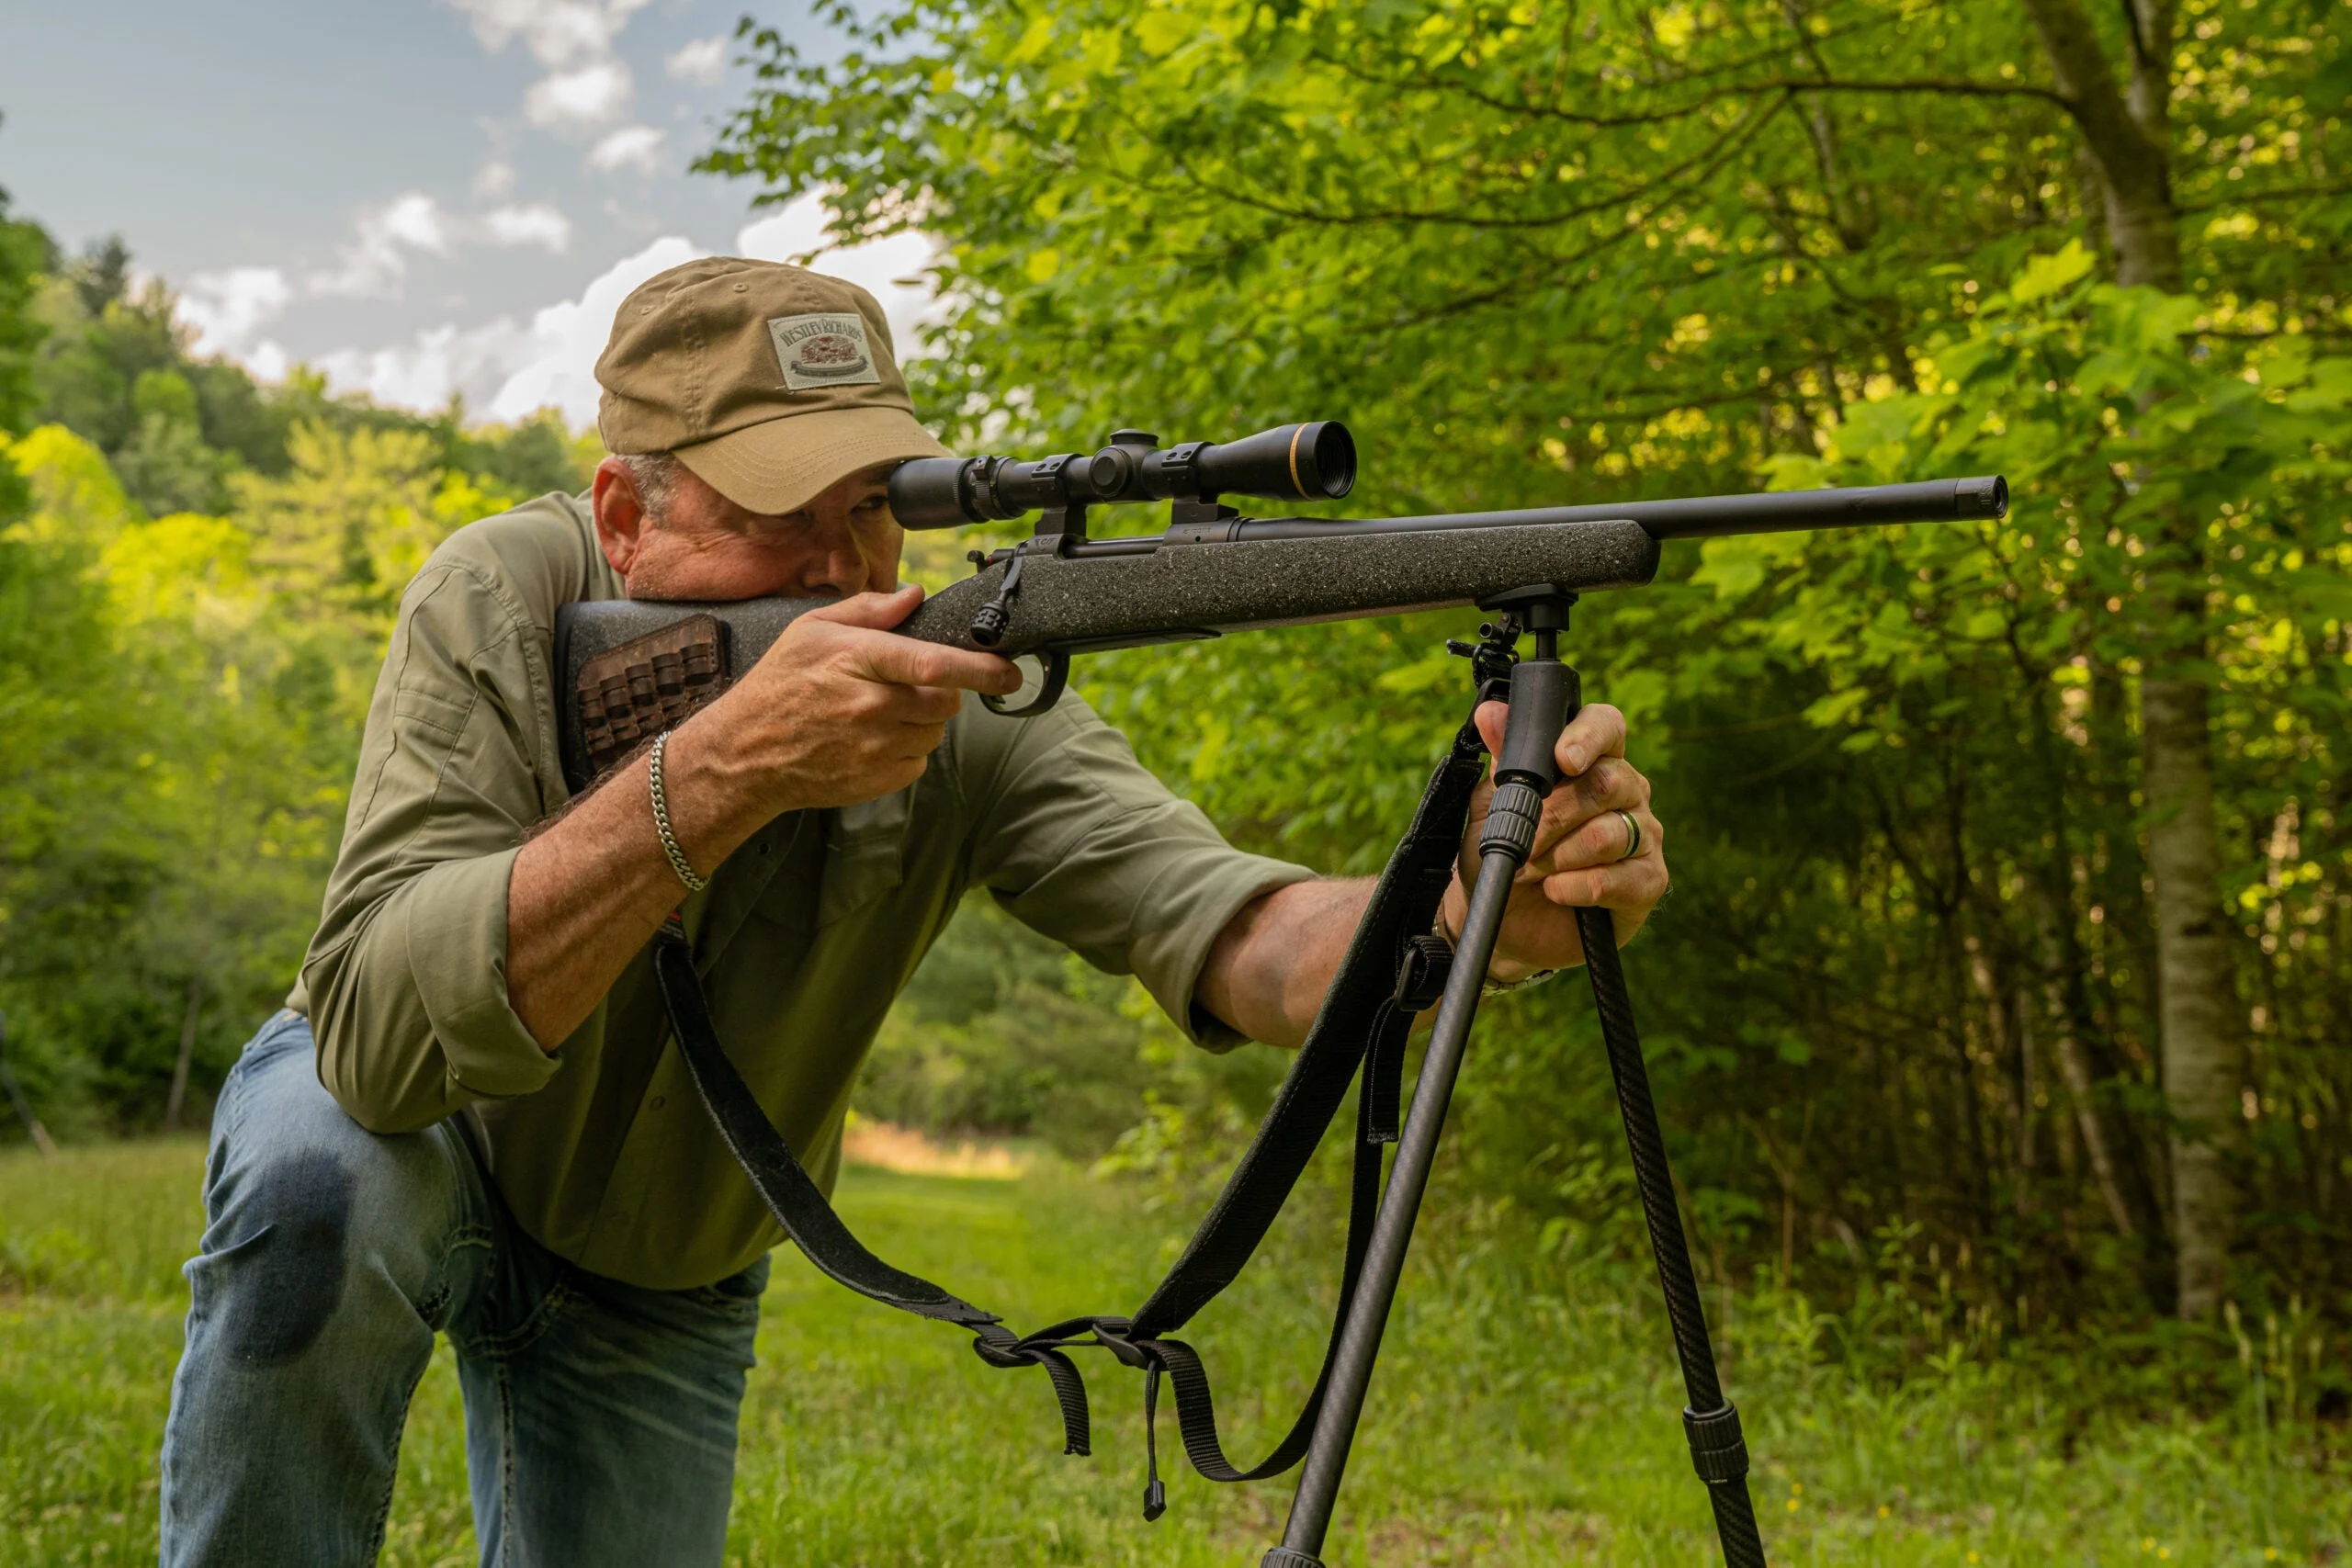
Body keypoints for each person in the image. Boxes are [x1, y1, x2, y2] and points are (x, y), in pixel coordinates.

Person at [156, 258, 1669, 1567]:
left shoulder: (960, 681)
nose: (839, 570)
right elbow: (372, 1035)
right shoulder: (499, 595)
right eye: (776, 516)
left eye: (874, 509)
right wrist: (717, 773)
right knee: (315, 1178)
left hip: (666, 1258)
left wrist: (1476, 909)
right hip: (418, 1133)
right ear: (627, 512)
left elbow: (1235, 932)